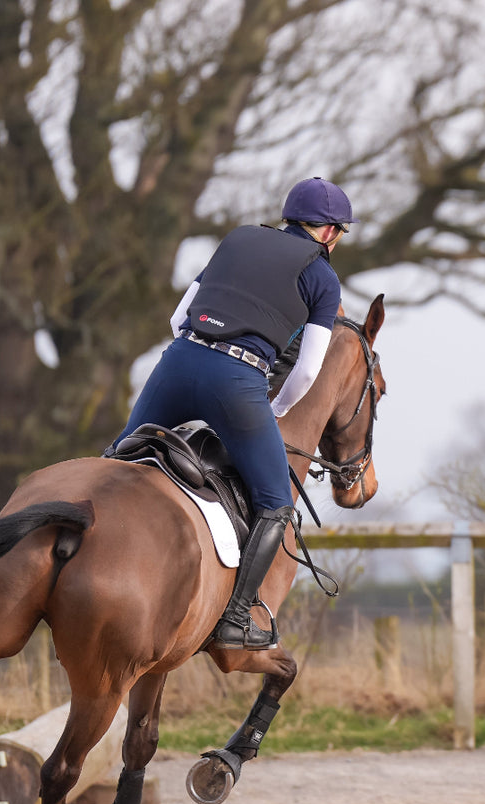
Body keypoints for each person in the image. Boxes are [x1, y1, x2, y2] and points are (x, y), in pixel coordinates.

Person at [110, 176, 358, 648]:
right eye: (341, 233)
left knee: (118, 459)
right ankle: (236, 619)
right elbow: (307, 371)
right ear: (328, 232)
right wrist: (274, 408)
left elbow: (178, 318)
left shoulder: (239, 239)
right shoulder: (323, 277)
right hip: (237, 382)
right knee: (275, 501)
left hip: (177, 363)